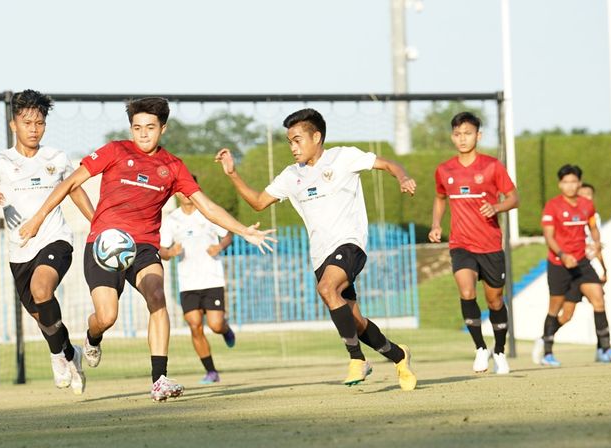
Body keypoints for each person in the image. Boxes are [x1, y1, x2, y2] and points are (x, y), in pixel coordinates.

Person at [19, 97, 276, 402]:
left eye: (150, 128)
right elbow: (70, 183)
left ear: (162, 129)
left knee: (157, 297)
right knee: (106, 316)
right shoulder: (114, 151)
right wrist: (37, 219)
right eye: (137, 127)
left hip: (144, 247)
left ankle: (159, 379)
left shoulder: (173, 166)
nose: (143, 134)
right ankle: (92, 337)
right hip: (104, 244)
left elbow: (206, 206)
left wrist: (243, 230)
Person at [215, 108, 417, 391]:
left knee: (326, 289)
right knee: (355, 321)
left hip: (350, 244)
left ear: (317, 137)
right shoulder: (290, 175)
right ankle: (399, 355)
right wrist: (233, 174)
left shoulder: (343, 157)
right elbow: (258, 202)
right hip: (320, 255)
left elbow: (388, 164)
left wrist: (403, 177)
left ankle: (357, 359)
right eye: (289, 141)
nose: (293, 147)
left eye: (297, 140)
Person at [0, 89, 95, 394]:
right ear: (14, 124)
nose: (34, 129)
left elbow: (74, 189)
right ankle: (70, 354)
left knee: (43, 289)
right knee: (44, 318)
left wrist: (97, 221)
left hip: (55, 239)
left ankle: (56, 357)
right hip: (19, 251)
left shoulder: (56, 158)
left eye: (39, 123)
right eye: (27, 123)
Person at [428, 112, 519, 375]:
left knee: (495, 301)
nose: (462, 138)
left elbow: (514, 198)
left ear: (478, 135)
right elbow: (440, 197)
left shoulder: (492, 166)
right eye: (457, 134)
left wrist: (497, 207)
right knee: (467, 292)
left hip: (490, 245)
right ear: (452, 137)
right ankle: (480, 347)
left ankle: (499, 351)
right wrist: (436, 225)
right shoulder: (444, 170)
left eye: (467, 133)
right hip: (461, 244)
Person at [532, 165, 611, 366]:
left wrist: (598, 247)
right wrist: (563, 255)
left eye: (573, 181)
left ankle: (605, 350)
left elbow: (593, 228)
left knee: (598, 299)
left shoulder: (586, 205)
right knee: (562, 313)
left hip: (581, 263)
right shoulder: (552, 206)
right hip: (559, 264)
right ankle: (546, 349)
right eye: (565, 182)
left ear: (579, 183)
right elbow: (549, 236)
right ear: (560, 184)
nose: (570, 186)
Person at [159, 179, 236, 385]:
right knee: (195, 326)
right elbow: (162, 250)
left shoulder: (208, 212)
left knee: (215, 324)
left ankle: (225, 330)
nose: (185, 194)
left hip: (212, 278)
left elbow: (228, 234)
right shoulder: (171, 219)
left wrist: (219, 247)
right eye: (181, 191)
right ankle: (211, 371)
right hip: (188, 282)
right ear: (176, 193)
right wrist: (170, 252)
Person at [577, 183, 606, 279]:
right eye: (582, 194)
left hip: (590, 258)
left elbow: (597, 244)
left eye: (588, 194)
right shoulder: (571, 217)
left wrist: (603, 269)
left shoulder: (594, 217)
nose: (585, 197)